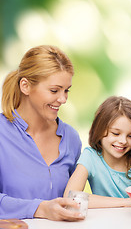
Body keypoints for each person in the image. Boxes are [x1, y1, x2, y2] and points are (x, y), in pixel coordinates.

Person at [0, 45, 83, 221]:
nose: (63, 99)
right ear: (26, 86)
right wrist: (40, 208)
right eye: (54, 90)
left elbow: (75, 197)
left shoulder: (71, 139)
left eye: (66, 90)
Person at [64, 96, 131, 208]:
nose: (123, 141)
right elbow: (70, 198)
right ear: (99, 129)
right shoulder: (90, 156)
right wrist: (126, 203)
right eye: (115, 133)